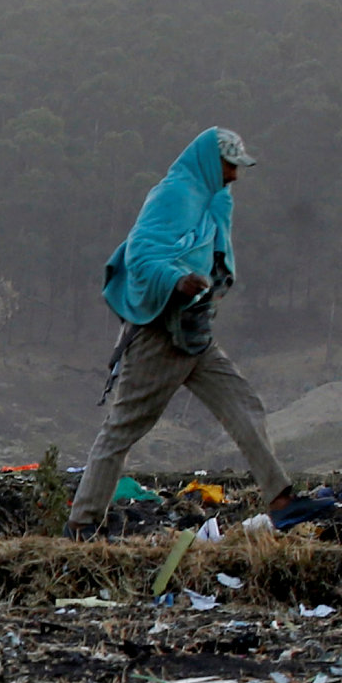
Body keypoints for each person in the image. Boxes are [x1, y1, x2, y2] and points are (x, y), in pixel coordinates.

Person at [65, 127, 293, 533]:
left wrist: (211, 284)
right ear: (209, 162)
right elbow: (142, 253)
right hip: (158, 334)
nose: (234, 176)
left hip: (194, 333)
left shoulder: (215, 200)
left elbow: (215, 255)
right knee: (122, 431)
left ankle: (282, 502)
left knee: (243, 404)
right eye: (229, 166)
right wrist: (176, 280)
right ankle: (81, 525)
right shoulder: (172, 196)